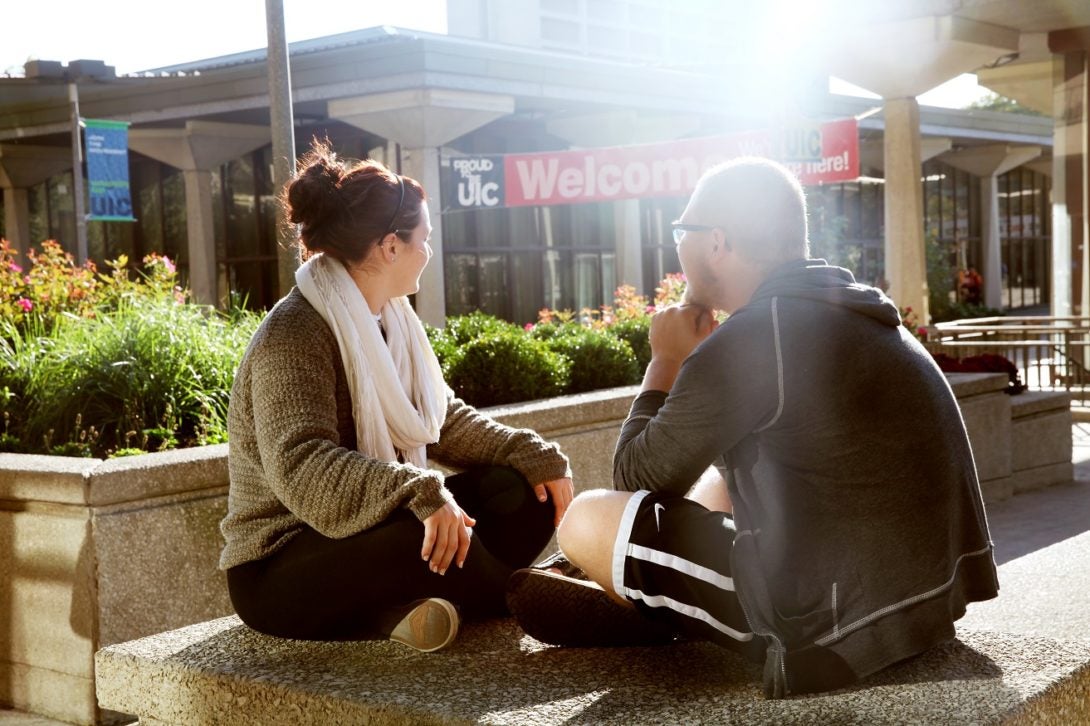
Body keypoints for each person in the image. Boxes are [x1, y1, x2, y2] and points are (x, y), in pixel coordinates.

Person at [507, 157, 998, 697]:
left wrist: (665, 362)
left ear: (717, 242)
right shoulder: (847, 311)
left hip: (824, 626)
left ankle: (631, 599)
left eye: (681, 231)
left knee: (584, 518)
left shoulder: (753, 337)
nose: (677, 245)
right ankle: (634, 590)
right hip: (920, 598)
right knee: (720, 482)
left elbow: (634, 478)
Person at [221, 140, 573, 653]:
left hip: (369, 532)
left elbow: (438, 419)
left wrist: (526, 451)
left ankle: (403, 612)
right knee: (416, 535)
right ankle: (526, 596)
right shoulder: (294, 332)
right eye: (422, 239)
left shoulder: (391, 319)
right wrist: (414, 490)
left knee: (519, 490)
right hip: (280, 566)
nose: (427, 252)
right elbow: (302, 466)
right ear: (390, 246)